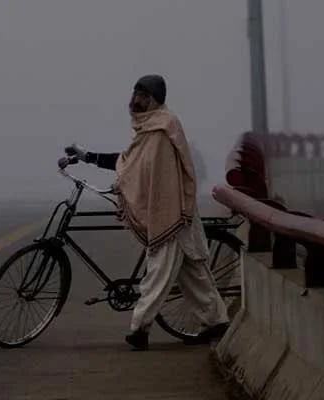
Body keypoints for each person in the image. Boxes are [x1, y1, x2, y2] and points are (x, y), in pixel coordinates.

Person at [60, 75, 229, 350]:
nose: (135, 101)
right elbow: (131, 162)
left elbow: (141, 172)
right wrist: (87, 156)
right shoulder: (149, 130)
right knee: (193, 274)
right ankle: (218, 321)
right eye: (135, 94)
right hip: (175, 212)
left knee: (158, 274)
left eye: (142, 96)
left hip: (170, 214)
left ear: (153, 99)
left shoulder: (163, 129)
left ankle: (139, 329)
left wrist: (122, 183)